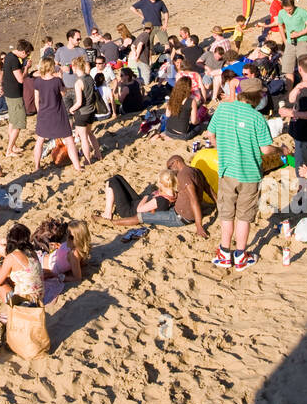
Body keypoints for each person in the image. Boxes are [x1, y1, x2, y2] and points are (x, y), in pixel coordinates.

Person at [205, 77, 275, 269]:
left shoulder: (223, 109)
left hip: (227, 170)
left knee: (227, 213)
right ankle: (241, 255)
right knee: (244, 216)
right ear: (257, 97)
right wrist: (281, 149)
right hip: (250, 173)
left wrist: (221, 148)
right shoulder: (257, 118)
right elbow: (266, 150)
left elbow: (210, 134)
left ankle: (225, 253)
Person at [102, 157, 213, 237]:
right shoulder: (176, 189)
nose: (170, 170)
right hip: (138, 201)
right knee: (118, 177)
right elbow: (207, 189)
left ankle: (108, 215)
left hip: (130, 209)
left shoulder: (162, 198)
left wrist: (146, 196)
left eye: (170, 167)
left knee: (112, 182)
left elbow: (139, 210)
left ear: (176, 162)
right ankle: (109, 212)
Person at [33, 58, 82, 173]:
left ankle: (37, 166)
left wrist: (39, 111)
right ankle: (77, 166)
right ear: (51, 67)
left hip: (44, 114)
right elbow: (64, 93)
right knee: (69, 140)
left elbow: (36, 99)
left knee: (40, 140)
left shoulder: (38, 81)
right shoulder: (56, 81)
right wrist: (60, 78)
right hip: (58, 113)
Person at [2, 39, 33, 160]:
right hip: (14, 95)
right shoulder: (13, 59)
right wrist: (26, 68)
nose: (28, 55)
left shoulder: (10, 55)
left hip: (10, 93)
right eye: (28, 53)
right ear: (23, 52)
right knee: (18, 123)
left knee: (12, 121)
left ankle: (13, 146)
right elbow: (20, 79)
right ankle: (9, 150)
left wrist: (24, 66)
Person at [69, 56, 102, 164]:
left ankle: (87, 160)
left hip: (82, 112)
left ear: (75, 67)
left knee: (84, 138)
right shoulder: (89, 78)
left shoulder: (79, 82)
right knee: (90, 134)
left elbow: (78, 102)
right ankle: (98, 154)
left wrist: (71, 109)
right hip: (91, 110)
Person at [278, 0, 307, 84]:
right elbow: (280, 25)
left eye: (290, 9)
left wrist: (298, 34)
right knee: (288, 68)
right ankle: (289, 92)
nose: (288, 12)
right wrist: (284, 40)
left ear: (293, 6)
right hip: (289, 43)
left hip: (302, 41)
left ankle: (305, 86)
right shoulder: (281, 13)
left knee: (304, 66)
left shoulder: (302, 12)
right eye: (286, 9)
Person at [54, 29, 87, 109]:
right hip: (65, 88)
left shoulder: (82, 51)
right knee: (66, 114)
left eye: (80, 39)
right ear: (70, 38)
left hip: (78, 88)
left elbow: (87, 68)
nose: (79, 41)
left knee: (78, 112)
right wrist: (61, 68)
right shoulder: (60, 50)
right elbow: (55, 65)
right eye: (78, 39)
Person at [164, 76, 201, 141]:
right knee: (198, 127)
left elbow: (167, 114)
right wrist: (199, 120)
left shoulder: (172, 97)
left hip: (168, 131)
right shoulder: (191, 101)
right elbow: (194, 121)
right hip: (181, 135)